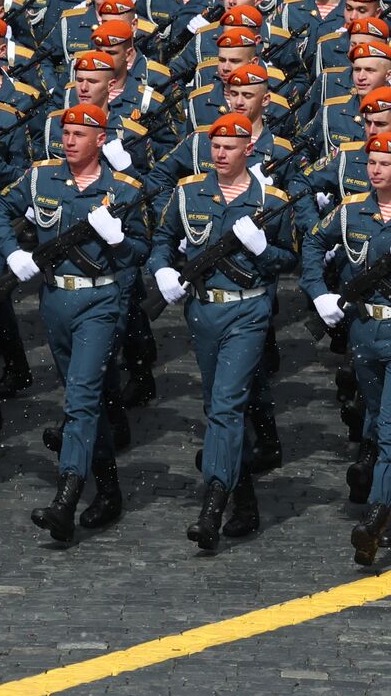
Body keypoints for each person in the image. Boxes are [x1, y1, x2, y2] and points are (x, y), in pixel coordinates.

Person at [0, 103, 149, 543]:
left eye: (81, 134)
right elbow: (0, 209)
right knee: (87, 400)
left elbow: (141, 252)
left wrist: (117, 239)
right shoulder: (43, 177)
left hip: (100, 300)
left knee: (79, 400)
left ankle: (66, 498)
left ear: (101, 139)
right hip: (55, 300)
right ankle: (110, 490)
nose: (70, 140)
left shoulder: (123, 189)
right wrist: (13, 252)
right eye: (66, 133)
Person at [147, 112, 296, 551]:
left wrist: (262, 248)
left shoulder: (270, 199)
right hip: (202, 312)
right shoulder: (189, 191)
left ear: (249, 149)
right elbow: (163, 240)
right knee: (220, 408)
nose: (219, 153)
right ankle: (246, 501)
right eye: (215, 146)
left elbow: (288, 260)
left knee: (227, 407)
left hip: (248, 311)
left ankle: (212, 505)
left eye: (229, 147)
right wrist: (162, 273)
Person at [301, 131, 391, 565]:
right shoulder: (350, 213)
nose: (376, 169)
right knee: (381, 425)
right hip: (364, 331)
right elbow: (311, 242)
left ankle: (377, 515)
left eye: (385, 163)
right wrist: (318, 292)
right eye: (371, 163)